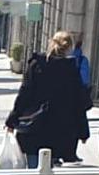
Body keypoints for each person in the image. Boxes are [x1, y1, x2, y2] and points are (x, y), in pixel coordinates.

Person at [5, 30, 90, 165]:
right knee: (50, 169)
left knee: (33, 166)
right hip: (59, 129)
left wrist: (12, 120)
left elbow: (24, 94)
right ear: (69, 48)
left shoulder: (36, 65)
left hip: (34, 126)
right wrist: (83, 131)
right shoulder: (70, 69)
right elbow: (78, 102)